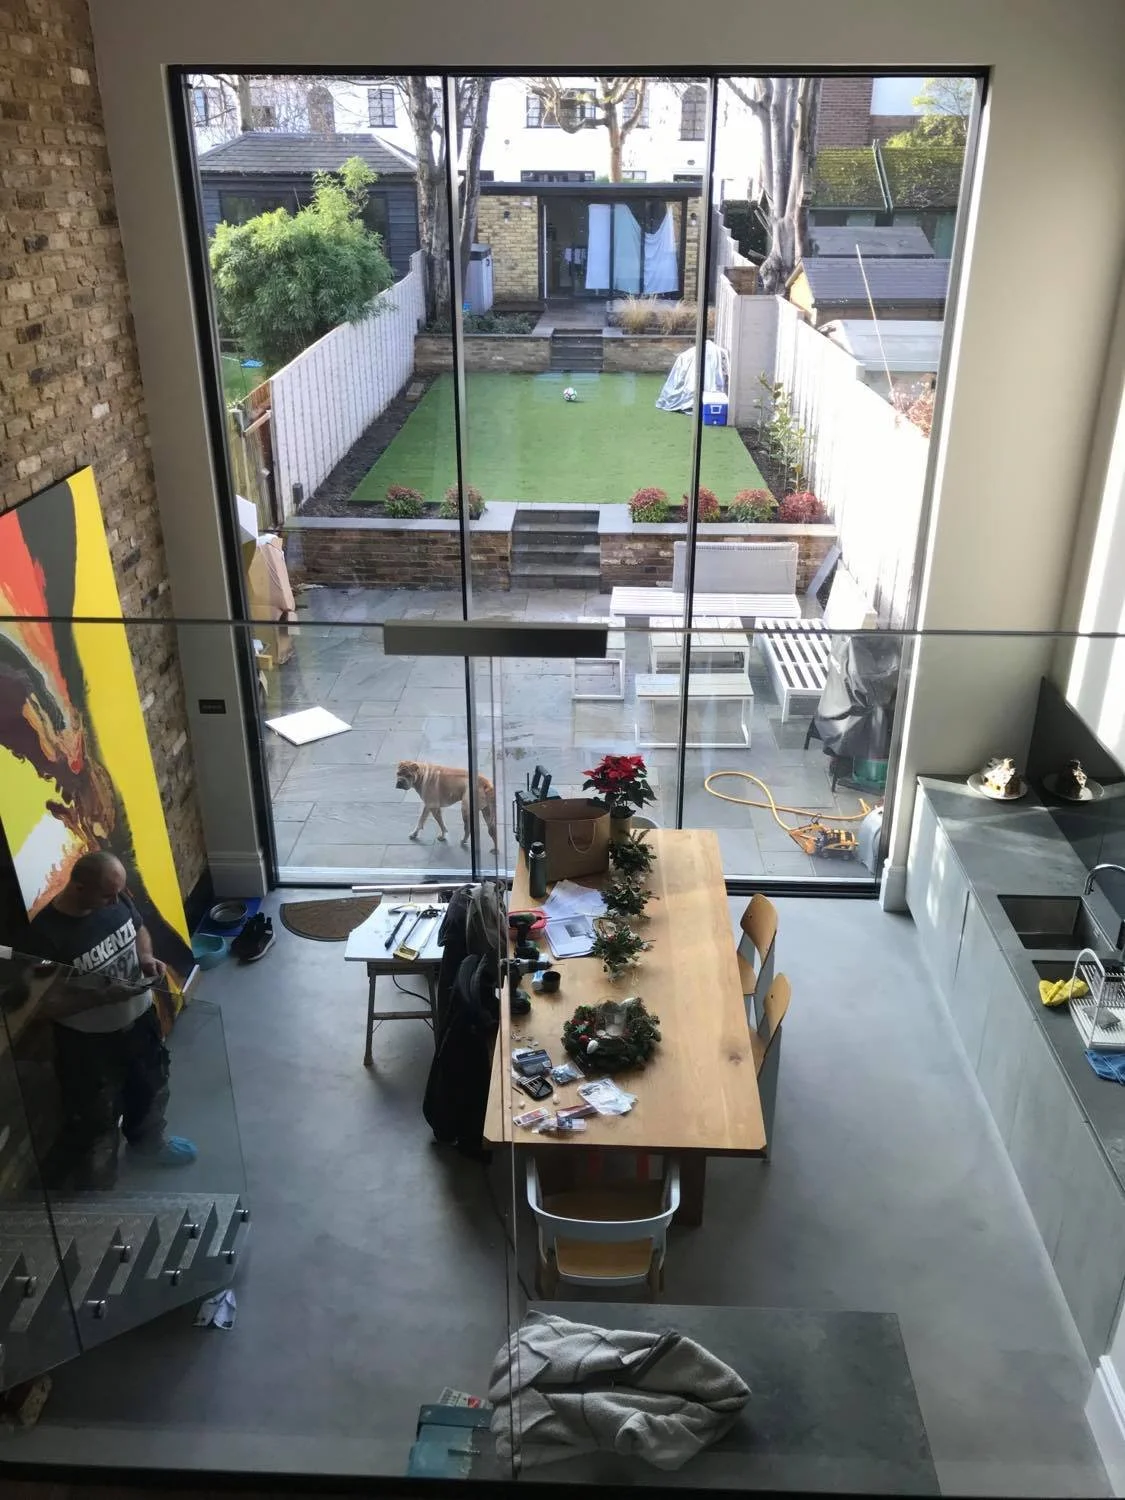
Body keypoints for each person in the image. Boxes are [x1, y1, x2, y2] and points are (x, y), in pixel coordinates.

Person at [28, 849, 197, 1190]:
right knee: (95, 1113)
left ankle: (149, 1145)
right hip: (90, 1043)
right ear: (78, 887)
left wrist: (146, 956)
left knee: (150, 1086)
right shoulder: (45, 936)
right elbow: (43, 1007)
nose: (116, 901)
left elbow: (139, 929)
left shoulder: (114, 900)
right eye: (107, 895)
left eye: (118, 893)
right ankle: (97, 1177)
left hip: (140, 1020)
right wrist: (104, 996)